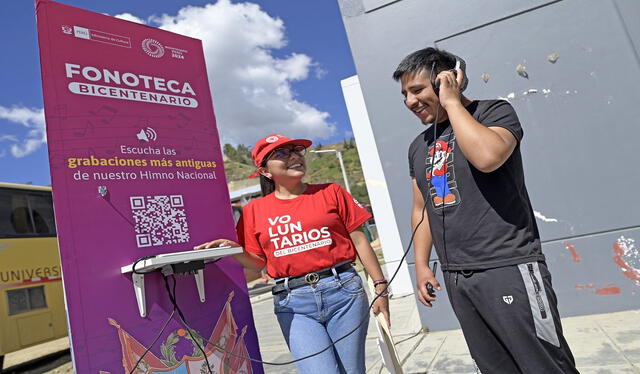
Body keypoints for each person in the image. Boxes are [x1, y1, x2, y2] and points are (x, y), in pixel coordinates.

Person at [392, 47, 579, 373]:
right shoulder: (418, 146)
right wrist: (422, 265)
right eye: (405, 95)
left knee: (544, 365)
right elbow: (421, 207)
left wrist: (451, 102)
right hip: (457, 277)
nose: (410, 102)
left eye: (418, 90)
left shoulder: (494, 112)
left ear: (447, 79)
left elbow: (488, 157)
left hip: (507, 266)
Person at [196, 134, 390, 373]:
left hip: (344, 294)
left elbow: (360, 242)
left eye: (297, 150)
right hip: (293, 303)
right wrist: (232, 249)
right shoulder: (253, 211)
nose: (295, 156)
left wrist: (380, 287)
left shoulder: (332, 192)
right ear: (265, 171)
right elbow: (258, 264)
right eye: (282, 154)